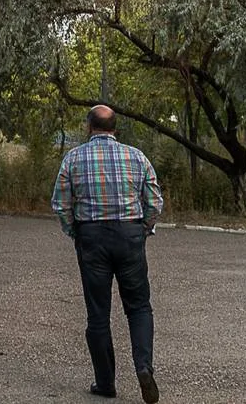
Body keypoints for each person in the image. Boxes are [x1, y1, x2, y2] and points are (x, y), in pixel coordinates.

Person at [51, 105, 165, 402]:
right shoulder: (137, 156)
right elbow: (154, 200)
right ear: (116, 128)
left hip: (92, 237)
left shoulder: (73, 158)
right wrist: (144, 229)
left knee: (98, 312)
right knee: (139, 306)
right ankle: (143, 366)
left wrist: (75, 231)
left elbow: (61, 203)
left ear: (89, 127)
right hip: (129, 235)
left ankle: (105, 383)